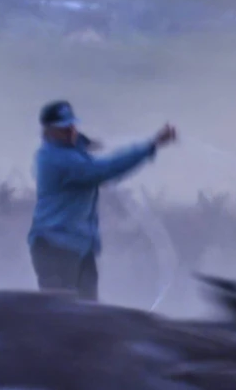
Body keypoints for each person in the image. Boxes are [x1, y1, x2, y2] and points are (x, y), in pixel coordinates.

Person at [28, 100, 176, 301]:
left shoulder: (67, 150)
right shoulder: (57, 160)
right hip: (56, 248)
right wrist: (152, 145)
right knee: (62, 316)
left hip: (80, 247)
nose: (71, 131)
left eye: (72, 125)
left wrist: (82, 142)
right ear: (49, 131)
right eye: (64, 128)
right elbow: (106, 170)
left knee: (89, 313)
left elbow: (78, 146)